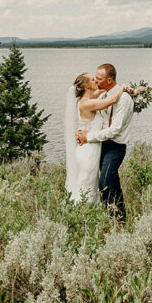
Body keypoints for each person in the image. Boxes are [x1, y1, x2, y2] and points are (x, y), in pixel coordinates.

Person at [76, 63, 135, 222]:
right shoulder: (103, 95)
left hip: (115, 147)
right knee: (113, 182)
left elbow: (114, 130)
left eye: (99, 78)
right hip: (100, 145)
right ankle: (120, 219)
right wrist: (83, 130)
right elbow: (97, 118)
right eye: (94, 78)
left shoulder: (123, 99)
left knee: (105, 183)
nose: (96, 81)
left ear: (109, 80)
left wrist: (88, 136)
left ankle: (112, 218)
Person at [63, 72, 129, 204]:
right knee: (85, 184)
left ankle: (88, 214)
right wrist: (122, 87)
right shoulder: (87, 104)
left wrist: (132, 91)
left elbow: (102, 91)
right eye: (93, 80)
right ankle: (81, 214)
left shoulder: (87, 99)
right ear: (87, 85)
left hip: (90, 147)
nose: (96, 82)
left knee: (90, 185)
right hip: (88, 150)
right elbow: (111, 100)